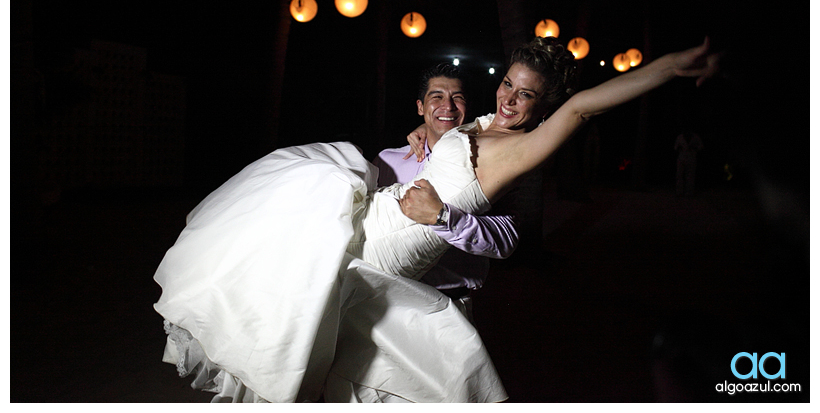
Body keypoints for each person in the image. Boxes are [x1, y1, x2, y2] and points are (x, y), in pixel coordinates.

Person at [154, 35, 719, 402]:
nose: (511, 100)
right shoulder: (472, 125)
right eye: (506, 84)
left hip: (391, 255)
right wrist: (429, 132)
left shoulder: (523, 149)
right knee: (294, 251)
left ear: (542, 108)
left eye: (527, 96)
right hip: (371, 218)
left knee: (314, 334)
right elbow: (442, 130)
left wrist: (668, 66)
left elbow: (585, 104)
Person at [372, 63, 523, 321]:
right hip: (389, 305)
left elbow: (506, 240)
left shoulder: (486, 166)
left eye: (458, 98)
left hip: (450, 308)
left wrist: (444, 218)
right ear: (420, 107)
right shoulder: (389, 161)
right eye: (437, 97)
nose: (448, 106)